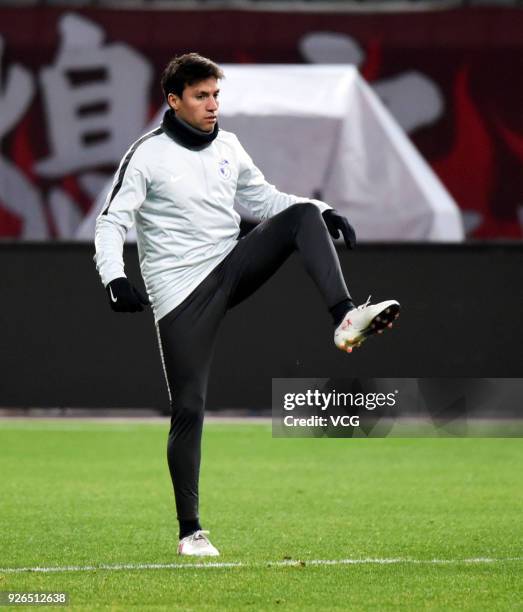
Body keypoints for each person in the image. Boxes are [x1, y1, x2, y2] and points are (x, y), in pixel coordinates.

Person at [94, 53, 400, 557]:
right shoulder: (146, 155)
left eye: (216, 94)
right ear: (174, 101)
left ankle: (346, 316)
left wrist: (325, 212)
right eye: (201, 96)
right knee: (188, 409)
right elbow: (111, 222)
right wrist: (114, 277)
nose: (212, 104)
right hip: (180, 295)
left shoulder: (229, 146)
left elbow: (263, 201)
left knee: (301, 213)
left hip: (231, 267)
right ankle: (190, 531)